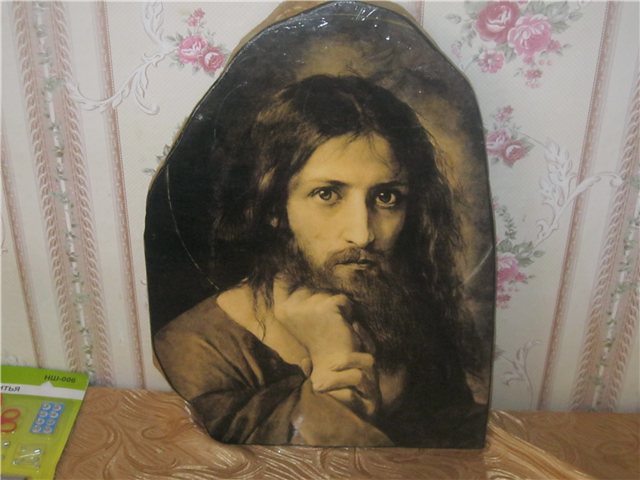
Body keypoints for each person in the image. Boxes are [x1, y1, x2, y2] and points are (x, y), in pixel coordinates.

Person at [154, 75, 487, 447]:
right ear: (275, 207)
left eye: (386, 198)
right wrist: (333, 373)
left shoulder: (410, 318)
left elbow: (458, 445)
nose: (362, 234)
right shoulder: (196, 346)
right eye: (327, 194)